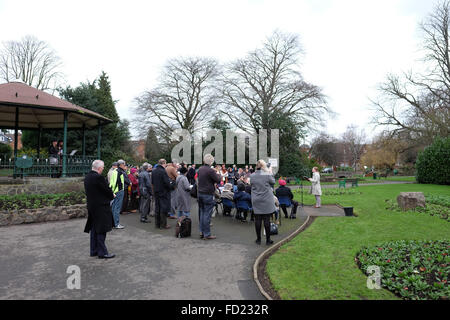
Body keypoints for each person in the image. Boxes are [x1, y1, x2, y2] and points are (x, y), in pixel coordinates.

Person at [83, 160, 115, 259]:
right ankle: (102, 252)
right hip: (100, 207)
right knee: (101, 229)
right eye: (103, 167)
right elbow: (106, 189)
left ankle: (94, 250)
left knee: (94, 228)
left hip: (92, 206)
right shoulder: (98, 177)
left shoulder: (87, 177)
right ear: (99, 168)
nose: (103, 169)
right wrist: (112, 195)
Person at [250, 160, 276, 245]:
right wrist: (270, 172)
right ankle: (268, 240)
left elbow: (252, 184)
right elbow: (273, 182)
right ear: (263, 166)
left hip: (256, 199)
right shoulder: (267, 174)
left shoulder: (252, 175)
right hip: (266, 199)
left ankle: (258, 239)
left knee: (257, 220)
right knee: (266, 220)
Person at [197, 154, 221, 240]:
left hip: (200, 193)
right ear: (211, 162)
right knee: (207, 214)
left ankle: (202, 231)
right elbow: (218, 180)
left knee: (202, 213)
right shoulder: (210, 171)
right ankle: (206, 234)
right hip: (208, 194)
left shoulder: (200, 169)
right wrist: (217, 172)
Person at [152, 159, 172, 229]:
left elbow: (152, 182)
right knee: (163, 208)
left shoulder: (153, 171)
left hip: (156, 191)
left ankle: (157, 224)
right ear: (164, 163)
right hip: (163, 192)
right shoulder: (163, 171)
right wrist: (170, 187)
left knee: (157, 208)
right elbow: (166, 183)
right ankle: (163, 224)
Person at [109, 159, 127, 229]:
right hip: (118, 191)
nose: (125, 166)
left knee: (114, 207)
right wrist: (113, 192)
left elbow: (112, 182)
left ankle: (114, 223)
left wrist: (112, 191)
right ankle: (116, 224)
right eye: (124, 164)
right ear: (121, 165)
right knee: (116, 208)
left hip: (115, 191)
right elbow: (115, 182)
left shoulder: (114, 171)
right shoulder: (119, 172)